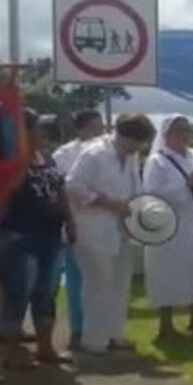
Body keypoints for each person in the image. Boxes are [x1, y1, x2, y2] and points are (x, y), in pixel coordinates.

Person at [0, 108, 76, 369]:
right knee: (18, 293)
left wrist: (69, 220)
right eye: (37, 128)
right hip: (17, 236)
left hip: (49, 236)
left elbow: (60, 190)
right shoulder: (8, 160)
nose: (42, 133)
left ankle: (45, 347)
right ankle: (11, 350)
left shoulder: (45, 157)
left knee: (46, 292)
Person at [66, 113, 154, 354]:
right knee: (98, 284)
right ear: (123, 136)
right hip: (93, 228)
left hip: (122, 229)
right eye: (135, 142)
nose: (137, 148)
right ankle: (94, 340)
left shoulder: (132, 157)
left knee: (120, 283)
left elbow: (136, 187)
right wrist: (107, 202)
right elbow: (72, 186)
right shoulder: (94, 154)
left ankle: (115, 334)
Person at [142, 115, 193, 340]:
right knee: (167, 270)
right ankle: (165, 324)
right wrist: (186, 183)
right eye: (178, 131)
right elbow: (153, 193)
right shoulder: (157, 161)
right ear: (166, 135)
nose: (184, 135)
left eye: (187, 130)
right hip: (170, 224)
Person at [52, 109, 105, 348]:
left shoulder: (108, 152)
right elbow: (65, 189)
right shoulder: (64, 155)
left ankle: (101, 329)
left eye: (101, 127)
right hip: (76, 224)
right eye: (94, 127)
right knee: (76, 280)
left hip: (104, 223)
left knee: (102, 281)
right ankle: (78, 329)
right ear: (81, 130)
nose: (100, 132)